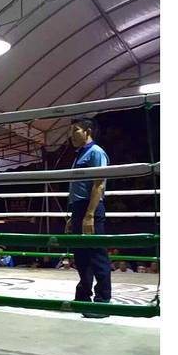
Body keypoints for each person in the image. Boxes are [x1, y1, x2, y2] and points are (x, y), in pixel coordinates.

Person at [65, 117, 112, 318]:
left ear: (88, 131)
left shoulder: (96, 152)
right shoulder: (81, 154)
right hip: (79, 208)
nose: (71, 135)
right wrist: (73, 216)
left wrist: (89, 214)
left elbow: (98, 185)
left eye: (75, 130)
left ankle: (103, 302)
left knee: (97, 255)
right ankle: (83, 297)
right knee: (81, 256)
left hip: (90, 207)